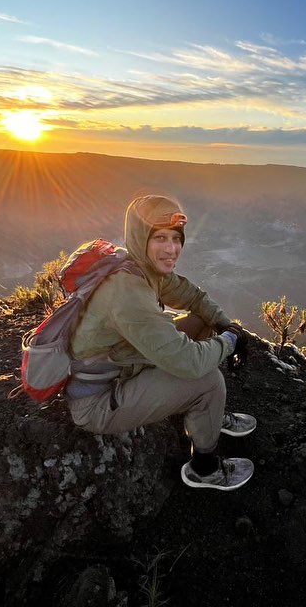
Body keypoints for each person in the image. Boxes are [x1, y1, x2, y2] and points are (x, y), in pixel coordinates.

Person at [65, 194, 256, 491]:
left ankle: (210, 416)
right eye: (161, 239)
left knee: (203, 322)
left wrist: (224, 324)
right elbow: (190, 362)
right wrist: (231, 340)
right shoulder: (128, 291)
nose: (172, 250)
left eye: (176, 239)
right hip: (99, 401)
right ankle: (204, 470)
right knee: (207, 379)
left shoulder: (141, 268)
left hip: (123, 363)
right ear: (142, 239)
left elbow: (193, 297)